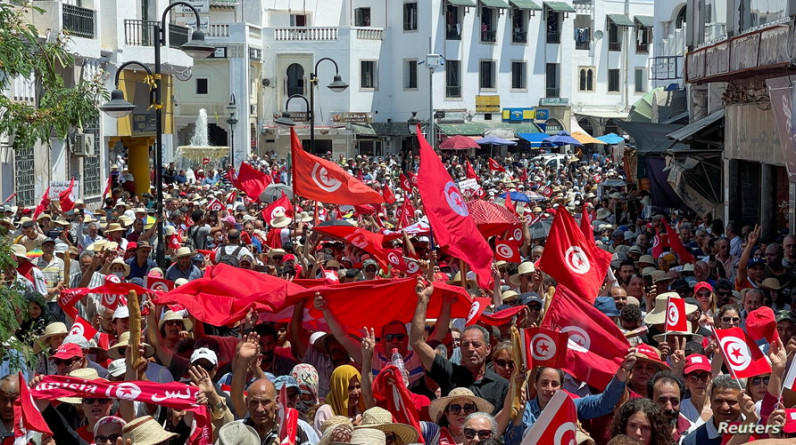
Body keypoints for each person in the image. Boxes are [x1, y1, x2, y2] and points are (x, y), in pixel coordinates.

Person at [410, 280, 508, 413]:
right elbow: (417, 342)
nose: (470, 349)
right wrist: (423, 300)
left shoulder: (501, 385)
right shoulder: (449, 373)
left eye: (476, 344)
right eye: (465, 344)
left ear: (488, 348)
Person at [682, 375, 749, 445]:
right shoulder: (693, 441)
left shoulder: (758, 433)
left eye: (731, 401)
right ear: (711, 401)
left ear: (743, 402)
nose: (725, 407)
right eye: (719, 401)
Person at [426, 387, 494, 445]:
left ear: (475, 413)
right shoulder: (435, 433)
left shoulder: (484, 436)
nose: (462, 412)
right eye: (455, 408)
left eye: (468, 408)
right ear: (447, 414)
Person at [314, 365, 365, 434]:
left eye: (358, 387)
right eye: (350, 388)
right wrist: (351, 429)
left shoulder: (360, 413)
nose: (356, 392)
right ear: (339, 389)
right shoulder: (325, 412)